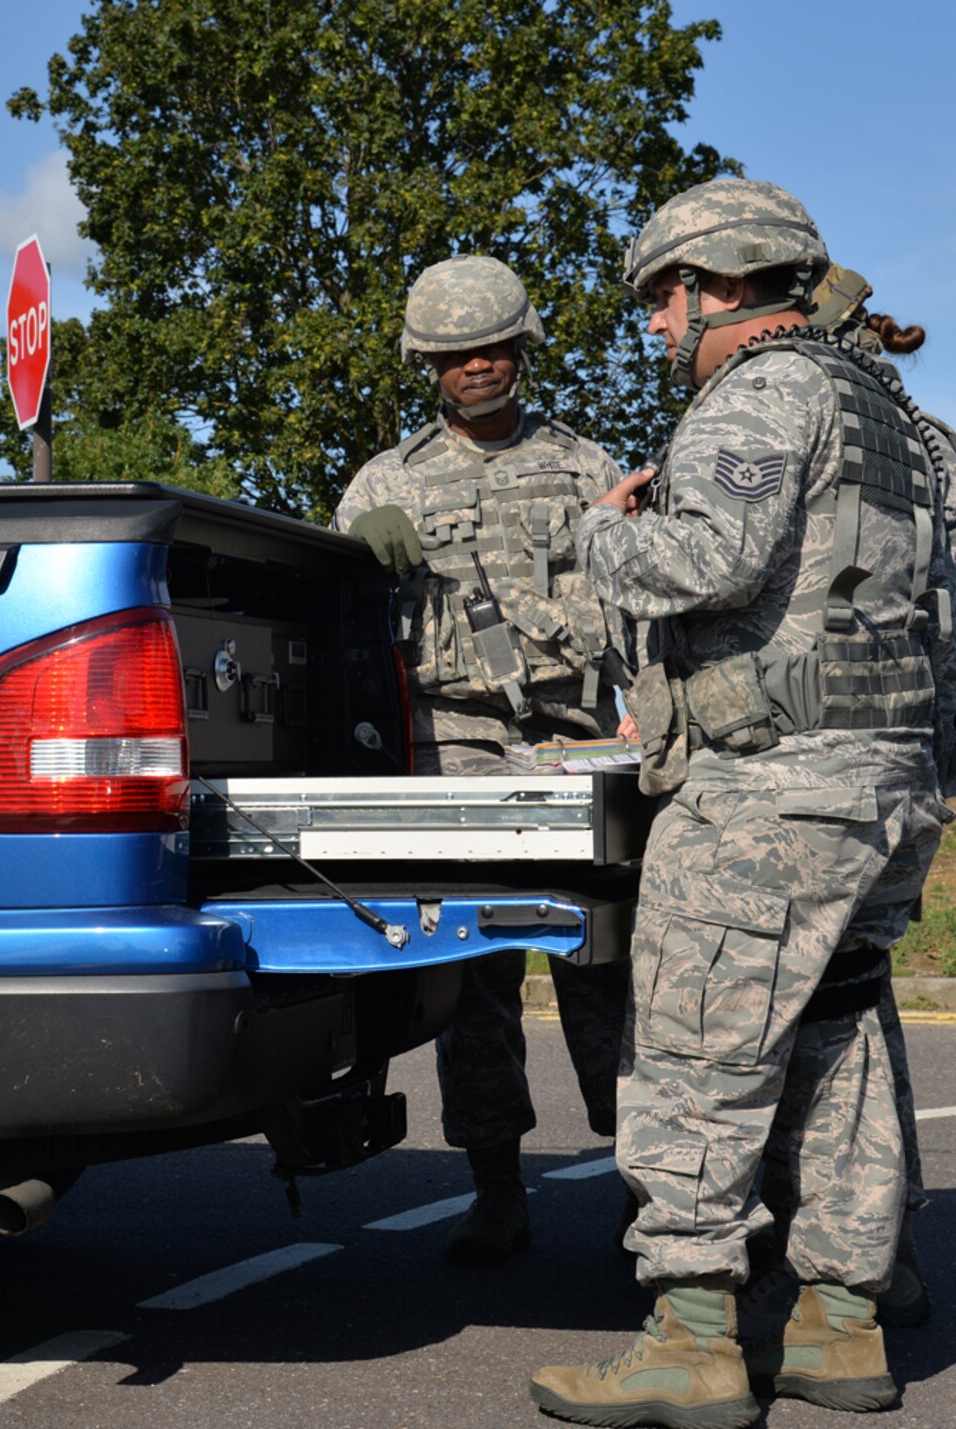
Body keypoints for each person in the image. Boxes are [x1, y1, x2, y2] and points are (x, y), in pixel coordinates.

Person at [527, 179, 954, 1428]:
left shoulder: (761, 392)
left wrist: (599, 532)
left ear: (715, 283)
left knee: (692, 1049)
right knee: (839, 1045)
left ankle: (691, 1337)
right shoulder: (895, 417)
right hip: (881, 784)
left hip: (772, 791)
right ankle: (837, 1325)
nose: (657, 330)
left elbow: (698, 561)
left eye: (660, 300)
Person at [332, 254, 630, 1267]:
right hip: (452, 739)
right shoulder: (387, 483)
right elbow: (346, 634)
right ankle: (494, 1187)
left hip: (575, 735)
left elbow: (630, 606)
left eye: (495, 347)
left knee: (602, 961)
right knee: (472, 971)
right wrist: (354, 564)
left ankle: (645, 1179)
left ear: (525, 347)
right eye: (457, 354)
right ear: (427, 362)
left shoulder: (588, 469)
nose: (478, 368)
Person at [742, 264, 956, 1337]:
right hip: (902, 757)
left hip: (808, 757)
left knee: (804, 1022)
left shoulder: (820, 427)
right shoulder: (930, 444)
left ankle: (842, 1260)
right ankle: (880, 1256)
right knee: (853, 1007)